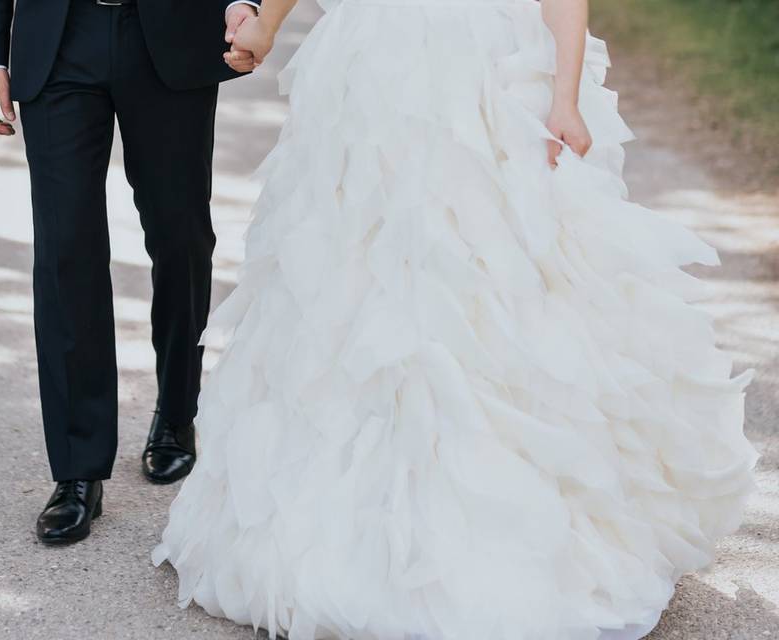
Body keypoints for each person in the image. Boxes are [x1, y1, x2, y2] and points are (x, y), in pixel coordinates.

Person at [153, 0, 759, 637]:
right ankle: (361, 521)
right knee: (356, 279)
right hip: (369, 72)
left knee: (482, 276)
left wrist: (566, 96)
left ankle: (491, 520)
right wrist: (268, 23)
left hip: (481, 74)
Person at [0, 0, 263, 545]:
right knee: (65, 249)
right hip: (57, 41)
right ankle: (77, 470)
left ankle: (177, 409)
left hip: (172, 35)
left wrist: (246, 5)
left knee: (181, 237)